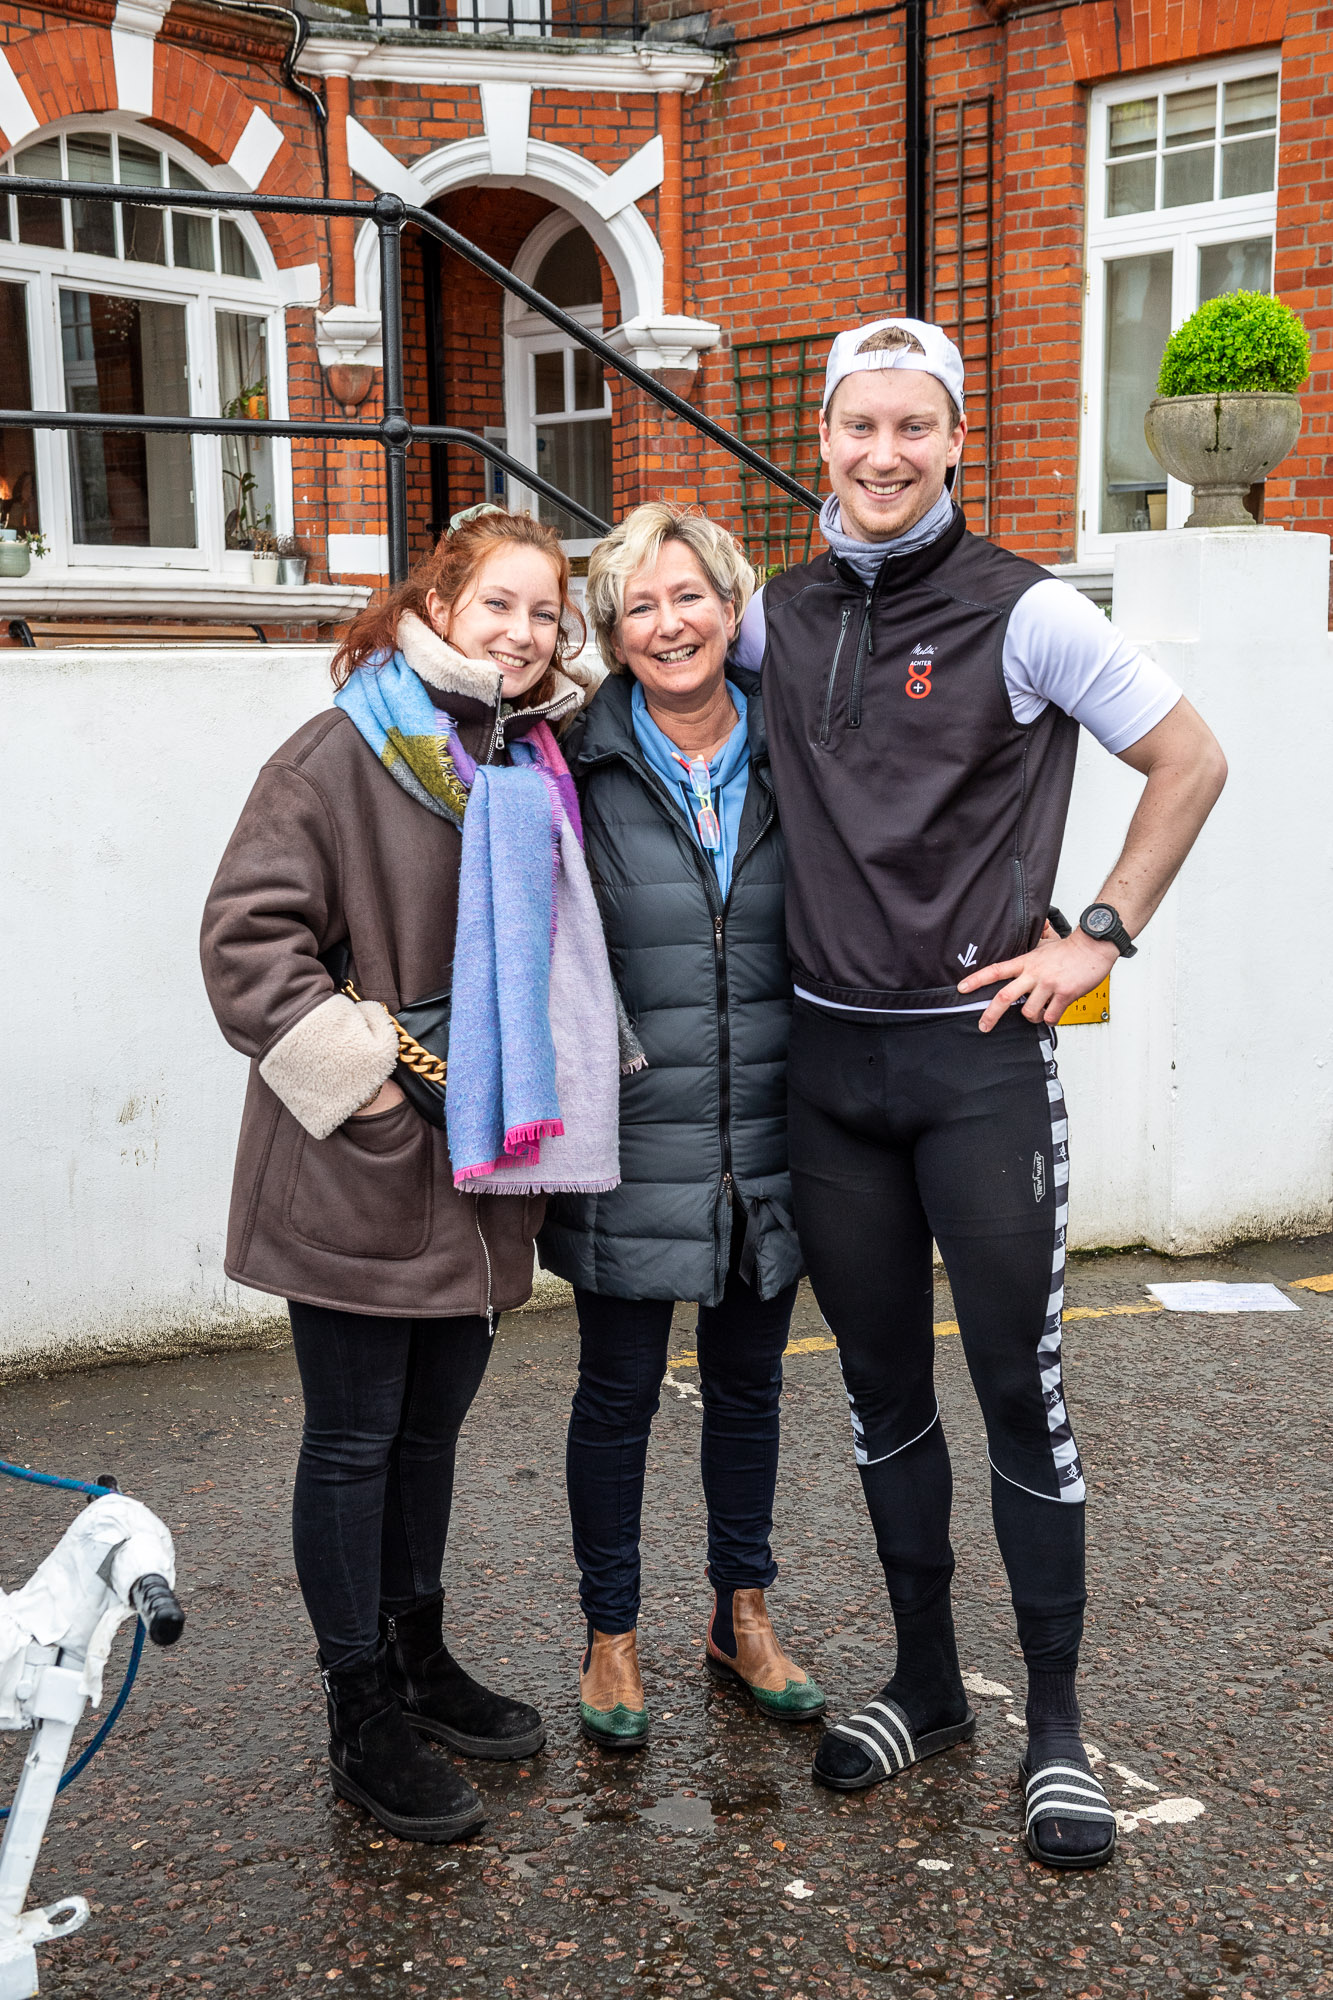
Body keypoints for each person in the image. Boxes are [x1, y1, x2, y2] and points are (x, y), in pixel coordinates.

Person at [734, 318, 1227, 1870]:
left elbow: (1192, 760)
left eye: (911, 428)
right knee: (881, 1401)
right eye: (855, 426)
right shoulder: (775, 614)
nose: (880, 455)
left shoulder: (1025, 613)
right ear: (824, 437)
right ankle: (929, 1687)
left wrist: (1097, 935)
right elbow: (652, 661)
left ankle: (1057, 1731)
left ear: (955, 442)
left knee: (1020, 1394)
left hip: (974, 1070)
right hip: (829, 1070)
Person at [200, 508, 622, 1843]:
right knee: (353, 1439)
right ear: (435, 602)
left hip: (480, 1168)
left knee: (429, 1433)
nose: (521, 631)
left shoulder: (524, 754)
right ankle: (360, 1707)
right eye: (497, 603)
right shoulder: (339, 752)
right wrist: (372, 1077)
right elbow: (247, 944)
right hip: (366, 1162)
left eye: (545, 612)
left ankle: (419, 1657)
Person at [540, 503, 825, 1748]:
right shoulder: (565, 759)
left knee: (750, 1387)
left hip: (770, 1125)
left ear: (731, 604)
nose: (669, 624)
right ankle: (611, 1636)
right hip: (631, 1127)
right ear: (611, 632)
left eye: (689, 596)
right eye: (639, 606)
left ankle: (740, 1614)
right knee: (615, 1394)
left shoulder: (802, 747)